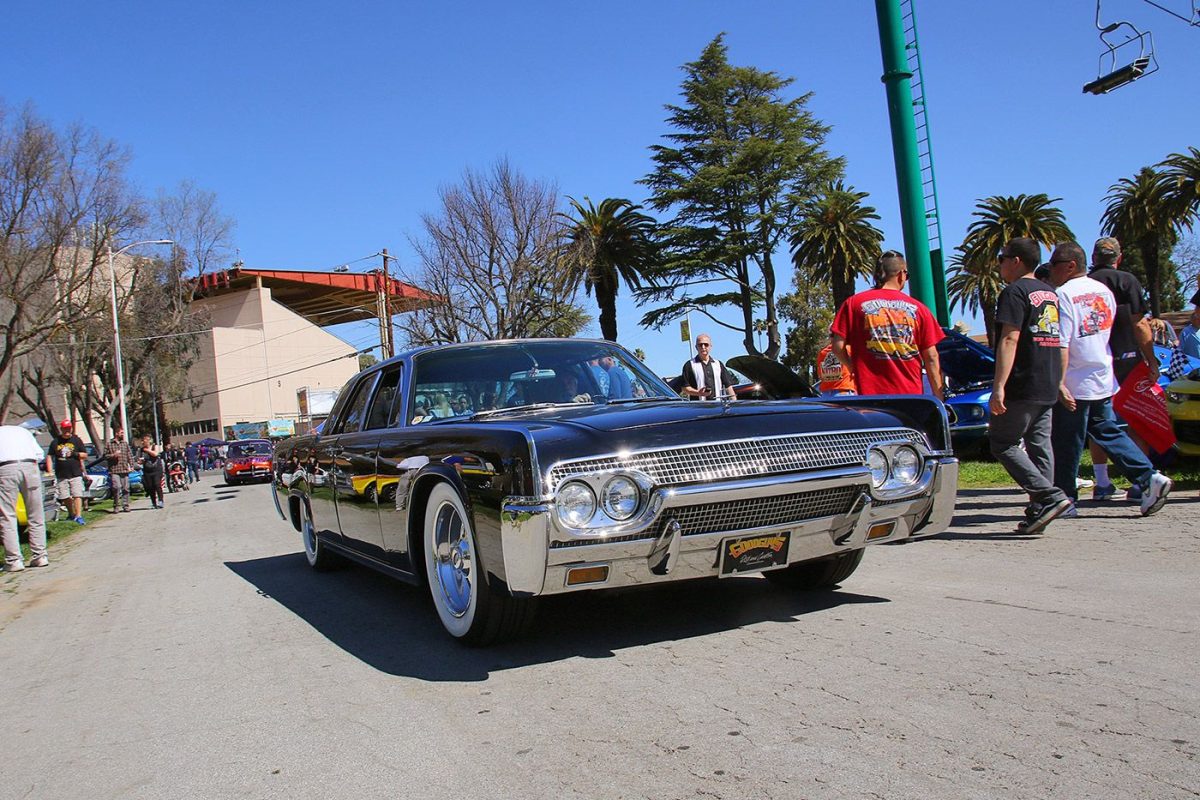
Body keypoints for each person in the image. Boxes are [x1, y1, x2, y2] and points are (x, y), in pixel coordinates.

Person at [1047, 242, 1172, 518]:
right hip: (1102, 373)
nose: (1051, 269)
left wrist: (1058, 382)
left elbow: (1063, 343)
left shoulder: (1063, 295)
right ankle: (1149, 477)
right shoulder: (1102, 290)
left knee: (1067, 441)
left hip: (1075, 378)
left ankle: (1066, 498)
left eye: (1055, 264)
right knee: (1108, 430)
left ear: (1070, 266)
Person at [988, 238, 1072, 534]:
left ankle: (1048, 497)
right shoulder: (1050, 293)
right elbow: (1059, 341)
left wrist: (999, 385)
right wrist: (1060, 382)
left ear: (1016, 261)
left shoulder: (1014, 292)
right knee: (1039, 446)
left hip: (1023, 381)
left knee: (1002, 442)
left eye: (1001, 258)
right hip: (1047, 380)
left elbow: (1009, 339)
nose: (999, 265)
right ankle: (1040, 509)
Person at [1086, 237, 1161, 500]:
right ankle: (1141, 483)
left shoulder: (1085, 284)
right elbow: (1139, 323)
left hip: (1095, 360)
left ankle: (1103, 482)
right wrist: (1151, 359)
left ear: (1093, 258)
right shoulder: (1127, 280)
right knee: (1135, 419)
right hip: (1127, 357)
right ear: (1119, 258)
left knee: (1099, 422)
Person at [830, 250, 944, 401]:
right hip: (910, 398)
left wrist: (852, 368)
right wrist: (938, 396)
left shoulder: (853, 304)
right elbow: (931, 357)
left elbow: (837, 347)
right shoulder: (920, 309)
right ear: (902, 274)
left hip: (869, 400)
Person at [0, 424, 49, 571]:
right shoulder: (23, 431)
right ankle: (40, 556)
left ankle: (14, 560)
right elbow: (40, 454)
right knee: (36, 513)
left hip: (5, 468)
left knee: (7, 515)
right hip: (30, 466)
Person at [46, 419, 87, 525]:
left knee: (77, 494)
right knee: (64, 496)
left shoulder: (76, 440)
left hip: (75, 472)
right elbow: (50, 456)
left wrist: (74, 454)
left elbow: (84, 455)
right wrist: (50, 471)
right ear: (61, 429)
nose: (67, 431)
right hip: (61, 474)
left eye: (68, 428)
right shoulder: (55, 442)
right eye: (65, 429)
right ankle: (71, 513)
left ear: (71, 428)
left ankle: (78, 516)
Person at [680, 334, 736, 400]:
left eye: (706, 344)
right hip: (698, 408)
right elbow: (685, 388)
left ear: (710, 346)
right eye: (700, 345)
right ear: (696, 347)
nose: (703, 347)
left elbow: (728, 387)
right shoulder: (689, 365)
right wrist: (698, 393)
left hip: (718, 406)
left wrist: (734, 403)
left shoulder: (718, 364)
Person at [104, 427, 135, 513]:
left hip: (124, 469)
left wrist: (132, 465)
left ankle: (126, 505)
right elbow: (105, 456)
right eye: (121, 433)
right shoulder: (109, 444)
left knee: (126, 488)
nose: (123, 434)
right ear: (116, 433)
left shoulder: (124, 444)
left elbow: (130, 455)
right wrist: (113, 455)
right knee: (116, 487)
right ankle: (116, 506)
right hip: (114, 470)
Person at [139, 436, 165, 510]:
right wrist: (140, 461)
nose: (142, 442)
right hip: (147, 470)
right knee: (150, 487)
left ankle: (160, 501)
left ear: (148, 441)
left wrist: (147, 450)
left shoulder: (154, 446)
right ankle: (153, 503)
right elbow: (139, 459)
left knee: (157, 485)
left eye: (143, 440)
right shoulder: (141, 450)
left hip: (156, 469)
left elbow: (155, 454)